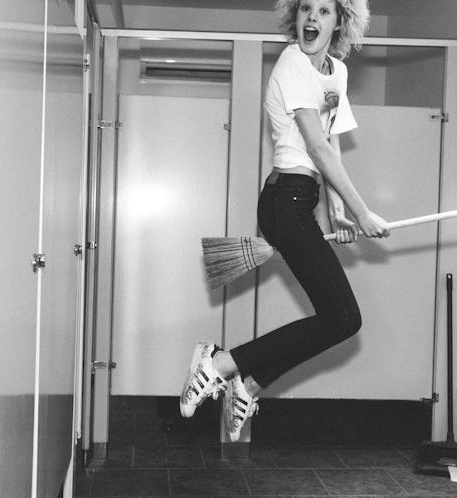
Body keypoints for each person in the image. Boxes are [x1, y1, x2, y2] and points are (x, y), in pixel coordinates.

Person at [179, 0, 391, 442]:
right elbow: (314, 147)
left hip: (301, 198)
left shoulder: (337, 71)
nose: (312, 18)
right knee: (343, 317)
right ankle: (218, 364)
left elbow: (330, 138)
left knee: (338, 318)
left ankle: (248, 383)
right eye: (306, 9)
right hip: (284, 200)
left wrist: (335, 207)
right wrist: (360, 210)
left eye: (324, 11)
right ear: (294, 16)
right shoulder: (293, 64)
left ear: (341, 21)